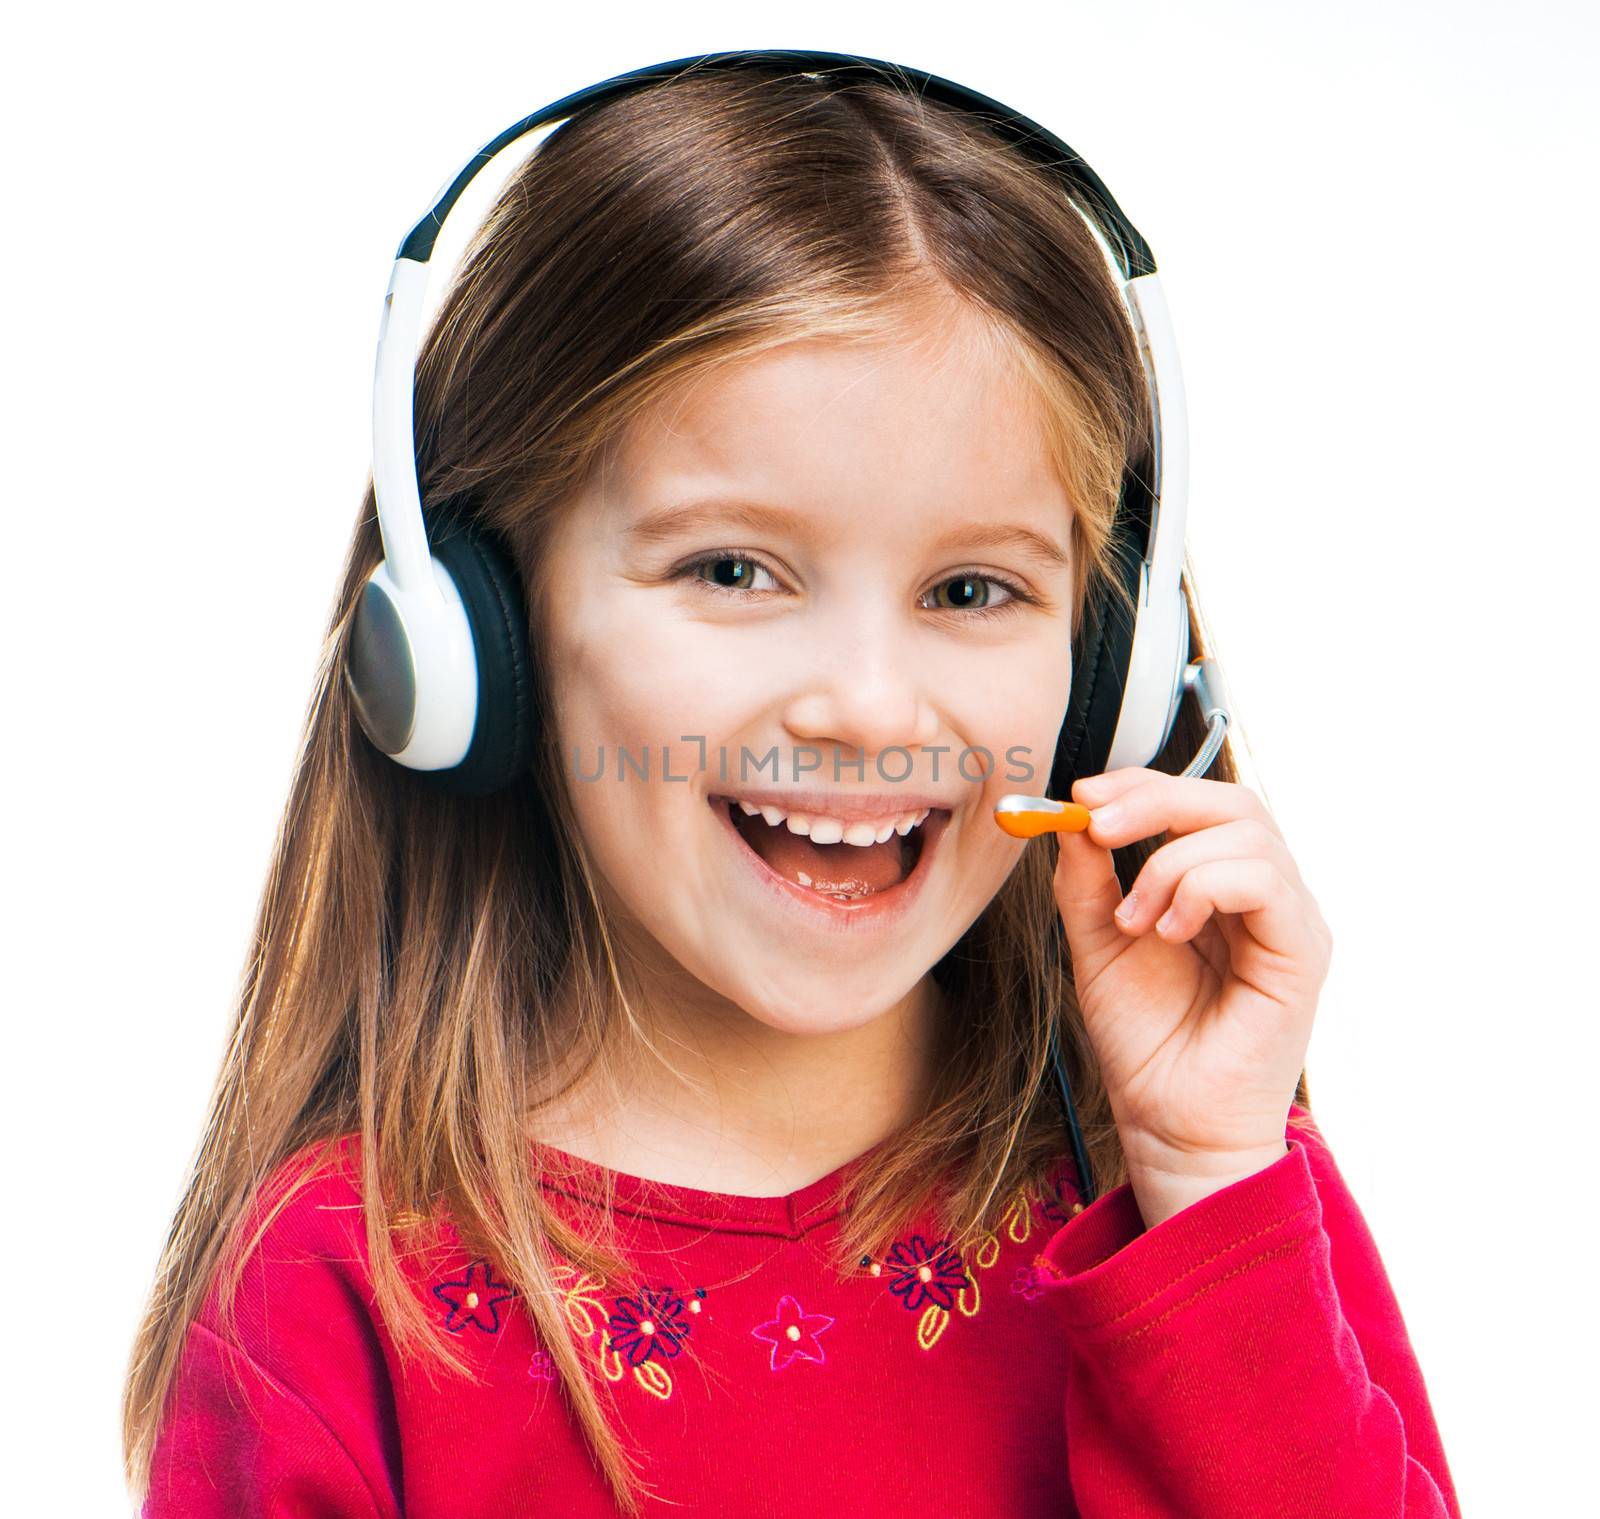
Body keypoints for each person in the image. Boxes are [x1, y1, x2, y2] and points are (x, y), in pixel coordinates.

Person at [123, 56, 1461, 1517]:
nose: (867, 708)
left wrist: (1205, 1184)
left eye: (971, 587)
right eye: (733, 570)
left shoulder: (1211, 1198)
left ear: (1107, 665)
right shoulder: (339, 1299)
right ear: (481, 635)